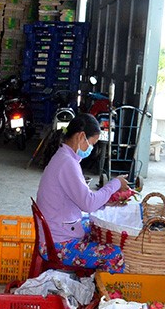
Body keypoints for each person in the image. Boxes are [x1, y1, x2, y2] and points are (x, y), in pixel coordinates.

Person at [35, 113, 129, 273]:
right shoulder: (67, 163)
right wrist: (116, 183)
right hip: (56, 244)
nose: (91, 149)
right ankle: (109, 296)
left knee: (92, 223)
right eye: (91, 144)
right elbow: (88, 203)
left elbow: (81, 199)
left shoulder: (64, 158)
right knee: (115, 254)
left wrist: (105, 201)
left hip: (54, 232)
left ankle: (90, 279)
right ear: (81, 136)